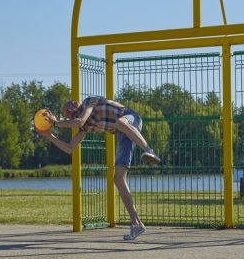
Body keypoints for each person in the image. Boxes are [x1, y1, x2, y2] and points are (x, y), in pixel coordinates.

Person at [36, 96, 161, 241]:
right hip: (122, 133)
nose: (70, 112)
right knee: (118, 178)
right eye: (67, 112)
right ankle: (136, 223)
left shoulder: (89, 102)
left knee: (120, 122)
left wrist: (56, 123)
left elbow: (79, 120)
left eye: (70, 109)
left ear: (76, 105)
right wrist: (49, 135)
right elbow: (70, 148)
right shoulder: (85, 126)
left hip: (131, 118)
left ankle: (149, 150)